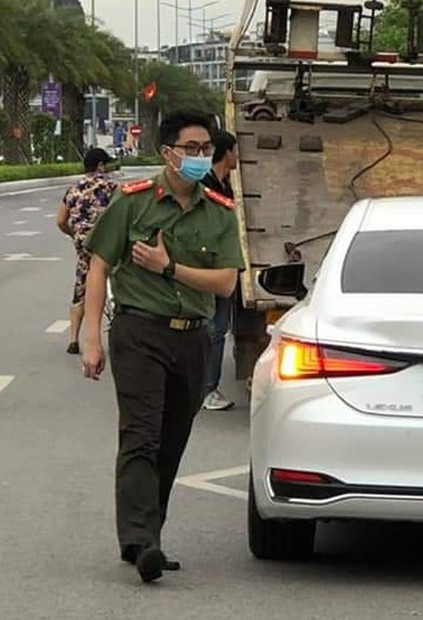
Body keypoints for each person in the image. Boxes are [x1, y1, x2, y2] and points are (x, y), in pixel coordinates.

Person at [80, 111, 245, 583]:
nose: (200, 157)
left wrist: (169, 267)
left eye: (206, 149)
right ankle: (140, 541)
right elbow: (99, 265)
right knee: (142, 435)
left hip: (193, 336)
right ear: (167, 152)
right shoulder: (132, 203)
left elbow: (226, 283)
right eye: (191, 148)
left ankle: (151, 532)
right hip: (139, 333)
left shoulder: (218, 211)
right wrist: (91, 336)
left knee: (171, 441)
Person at [56, 147, 118, 354]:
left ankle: (74, 339)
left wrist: (74, 234)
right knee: (119, 281)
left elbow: (61, 220)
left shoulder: (73, 189)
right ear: (100, 165)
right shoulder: (112, 187)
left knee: (80, 288)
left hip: (84, 245)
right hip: (108, 243)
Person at [201, 129, 238, 411]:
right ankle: (207, 390)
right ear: (226, 153)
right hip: (209, 268)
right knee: (214, 330)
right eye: (235, 151)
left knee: (218, 329)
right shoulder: (206, 185)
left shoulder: (226, 184)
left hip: (226, 265)